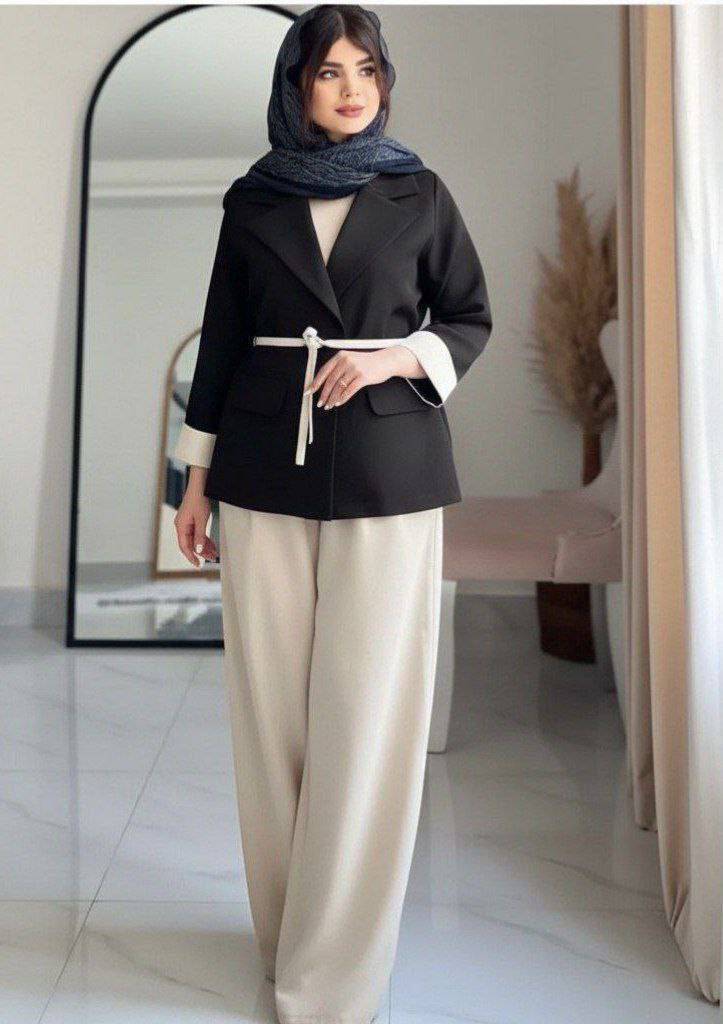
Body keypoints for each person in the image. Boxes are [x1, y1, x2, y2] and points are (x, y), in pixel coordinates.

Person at [173, 6, 492, 1022]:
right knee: (270, 716)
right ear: (296, 87)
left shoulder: (418, 191)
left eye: (366, 69)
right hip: (262, 463)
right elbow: (222, 340)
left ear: (384, 81)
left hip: (390, 471)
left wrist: (397, 357)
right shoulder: (253, 200)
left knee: (368, 715)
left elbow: (468, 315)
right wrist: (193, 479)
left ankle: (338, 968)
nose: (352, 88)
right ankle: (286, 940)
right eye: (328, 72)